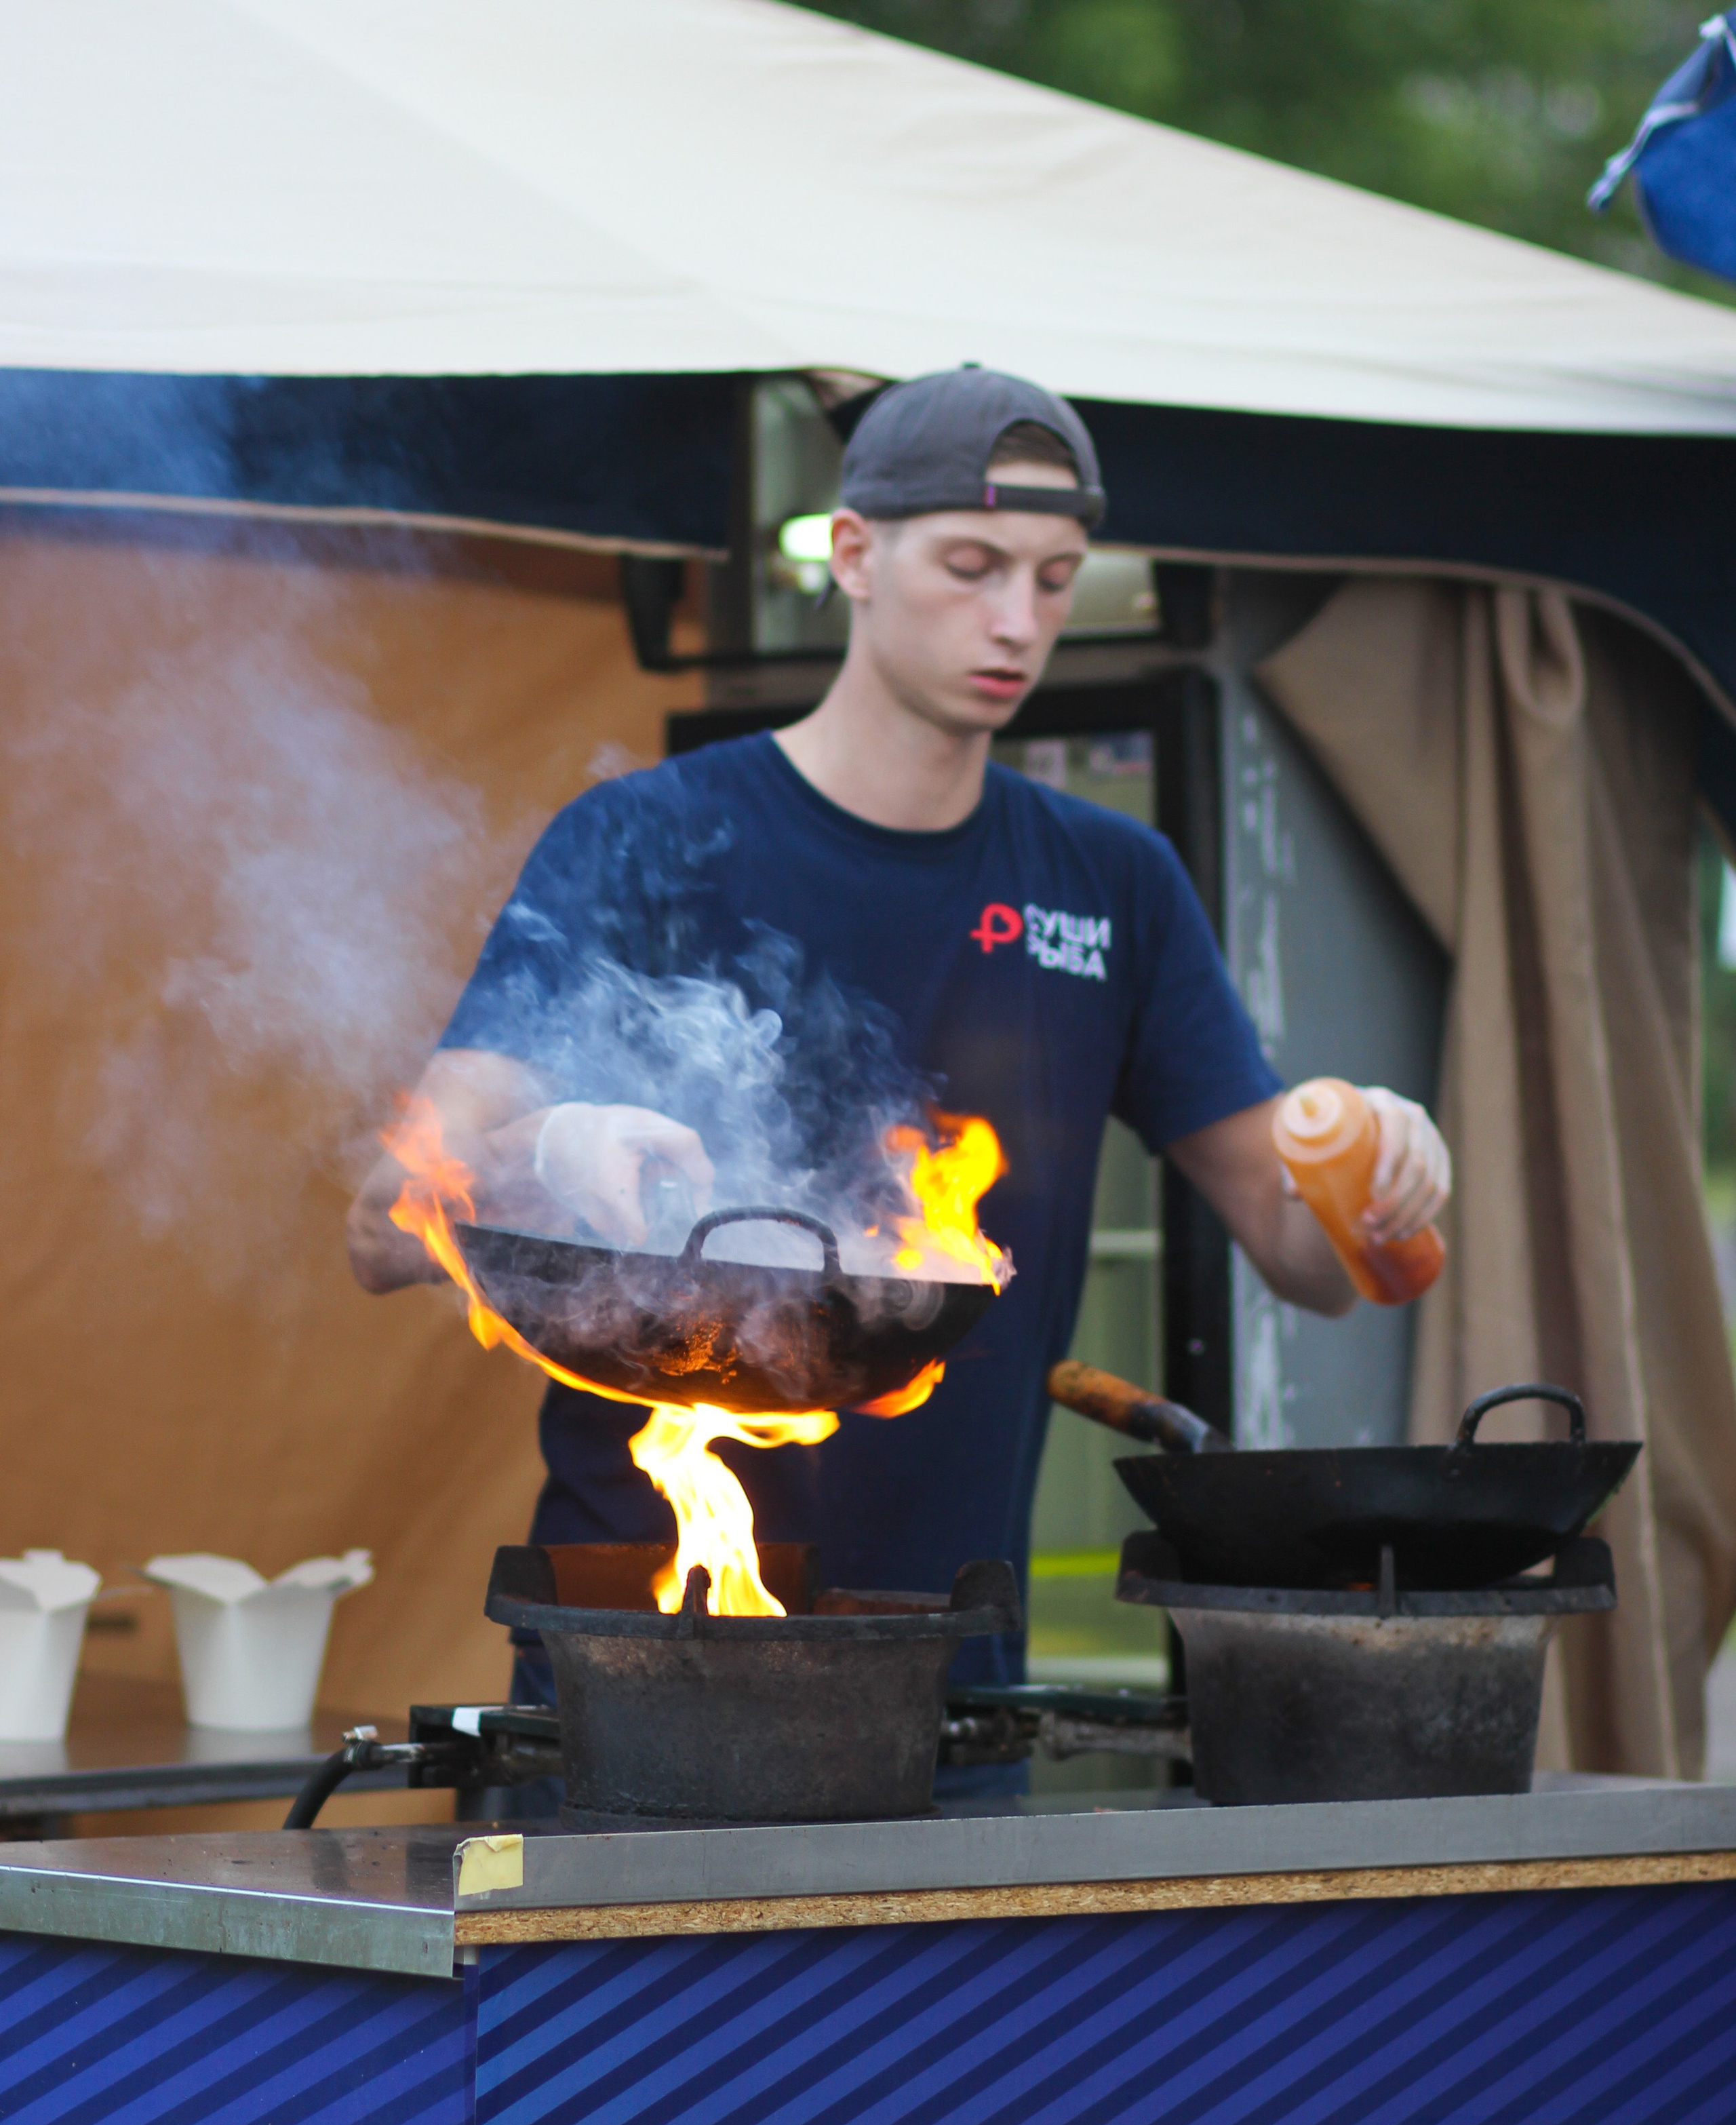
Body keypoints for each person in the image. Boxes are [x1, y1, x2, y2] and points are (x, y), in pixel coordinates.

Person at [347, 366, 1450, 1740]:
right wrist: (550, 1146)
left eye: (1053, 578)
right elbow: (380, 1229)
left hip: (944, 1680)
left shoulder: (1113, 883)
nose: (1017, 620)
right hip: (637, 1659)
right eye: (974, 566)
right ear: (854, 555)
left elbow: (1303, 1259)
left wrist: (1382, 1166)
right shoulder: (642, 839)